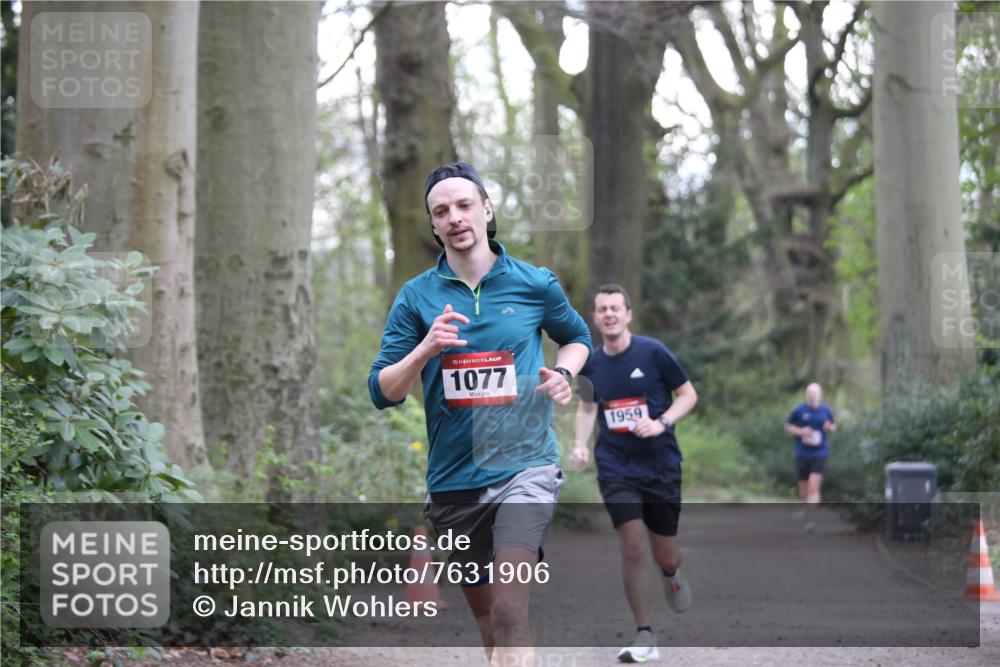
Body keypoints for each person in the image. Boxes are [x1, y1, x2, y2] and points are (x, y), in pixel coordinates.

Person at [369, 162, 591, 666]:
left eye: (465, 205)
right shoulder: (416, 297)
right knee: (491, 627)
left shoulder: (534, 284)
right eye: (441, 211)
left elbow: (577, 337)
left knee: (511, 610)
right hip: (454, 482)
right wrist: (424, 349)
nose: (455, 218)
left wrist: (563, 373)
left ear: (486, 209)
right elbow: (382, 390)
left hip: (525, 469)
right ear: (433, 224)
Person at [570, 283, 698, 664]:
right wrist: (580, 444)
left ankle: (672, 573)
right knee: (632, 546)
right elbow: (588, 410)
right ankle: (645, 632)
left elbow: (688, 395)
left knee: (665, 553)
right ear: (594, 318)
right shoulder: (591, 364)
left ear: (628, 314)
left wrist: (662, 422)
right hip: (615, 466)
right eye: (601, 309)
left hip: (660, 465)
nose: (608, 314)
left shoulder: (654, 353)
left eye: (615, 308)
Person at [784, 382, 836, 533]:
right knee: (803, 489)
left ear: (820, 395)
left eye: (816, 393)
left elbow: (833, 426)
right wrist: (801, 431)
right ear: (807, 395)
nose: (813, 396)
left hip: (819, 454)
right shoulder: (799, 410)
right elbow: (788, 426)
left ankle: (811, 521)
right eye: (810, 393)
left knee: (814, 484)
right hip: (802, 453)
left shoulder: (826, 410)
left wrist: (829, 428)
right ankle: (804, 507)